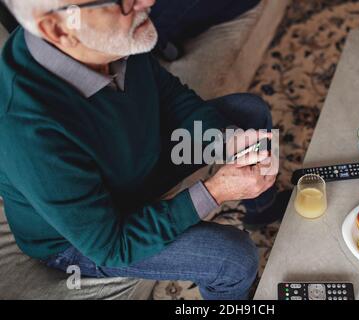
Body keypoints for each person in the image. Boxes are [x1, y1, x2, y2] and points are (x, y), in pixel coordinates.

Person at [0, 0, 286, 300]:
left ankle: (262, 209)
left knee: (247, 114)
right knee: (233, 258)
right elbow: (111, 245)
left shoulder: (112, 37)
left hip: (136, 166)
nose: (148, 1)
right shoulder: (24, 127)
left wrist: (225, 140)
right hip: (88, 237)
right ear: (58, 28)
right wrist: (214, 191)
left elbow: (172, 98)